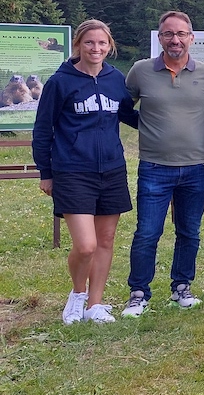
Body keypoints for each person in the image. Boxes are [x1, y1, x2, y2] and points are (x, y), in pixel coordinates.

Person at [32, 19, 138, 324]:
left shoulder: (115, 78)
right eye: (90, 43)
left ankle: (95, 304)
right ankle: (77, 295)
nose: (96, 48)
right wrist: (45, 172)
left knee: (105, 240)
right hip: (73, 171)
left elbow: (128, 115)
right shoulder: (60, 82)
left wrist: (170, 121)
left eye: (102, 43)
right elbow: (43, 129)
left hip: (112, 170)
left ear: (110, 45)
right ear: (78, 44)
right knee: (86, 244)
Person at [122, 11, 204, 318]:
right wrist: (149, 127)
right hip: (154, 167)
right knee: (147, 233)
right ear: (159, 38)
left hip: (196, 167)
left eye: (181, 34)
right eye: (168, 34)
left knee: (189, 232)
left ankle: (181, 288)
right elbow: (124, 110)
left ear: (192, 38)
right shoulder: (140, 72)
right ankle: (139, 294)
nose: (174, 40)